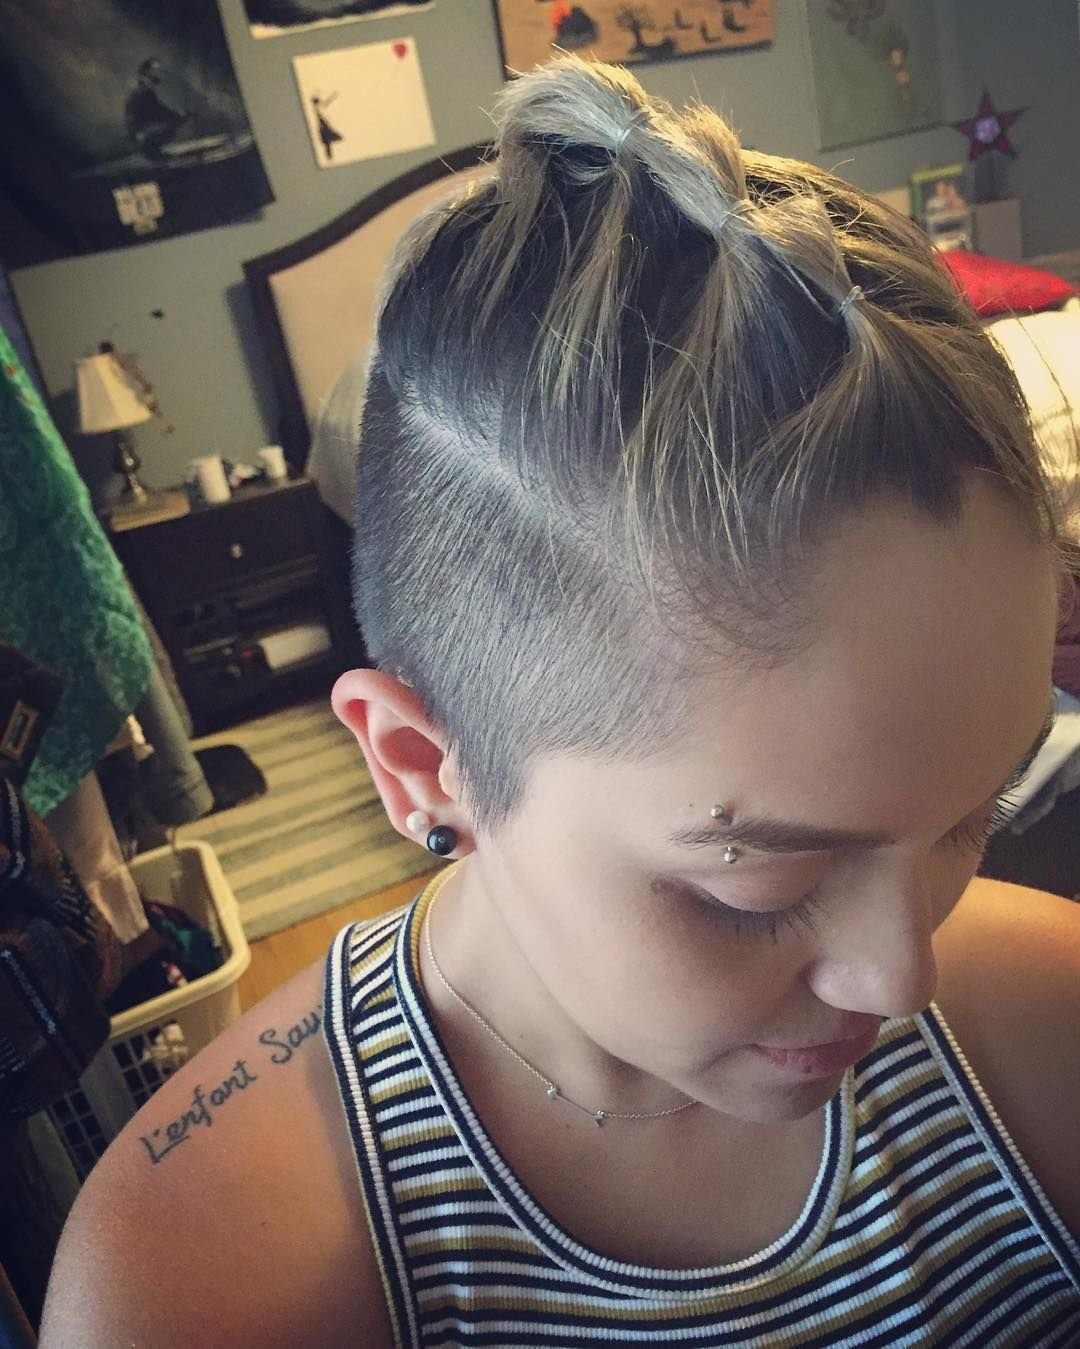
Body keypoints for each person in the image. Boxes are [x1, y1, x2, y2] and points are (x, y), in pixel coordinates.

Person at [40, 57, 1079, 1346]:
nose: (903, 977)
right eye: (757, 887)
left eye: (976, 816)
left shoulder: (1046, 1028)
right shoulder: (203, 1287)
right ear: (425, 766)